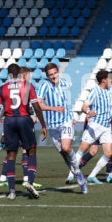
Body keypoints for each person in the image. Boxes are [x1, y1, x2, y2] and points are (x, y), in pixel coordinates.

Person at [0, 63, 47, 200]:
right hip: (24, 119)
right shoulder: (27, 86)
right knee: (31, 150)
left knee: (11, 155)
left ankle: (12, 191)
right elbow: (37, 107)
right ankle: (30, 182)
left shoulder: (1, 89)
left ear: (8, 75)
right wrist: (43, 125)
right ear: (20, 73)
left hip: (9, 121)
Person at [37, 62, 86, 193]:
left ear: (58, 71)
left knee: (66, 147)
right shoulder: (44, 86)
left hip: (66, 121)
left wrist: (72, 115)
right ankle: (76, 172)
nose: (53, 76)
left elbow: (66, 101)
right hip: (53, 125)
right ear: (47, 76)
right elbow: (38, 105)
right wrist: (53, 108)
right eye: (50, 75)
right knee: (64, 154)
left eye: (54, 73)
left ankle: (78, 173)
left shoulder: (65, 83)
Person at [75, 69, 112, 184]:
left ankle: (92, 176)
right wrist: (88, 111)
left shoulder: (111, 90)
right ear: (103, 80)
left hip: (106, 127)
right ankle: (72, 172)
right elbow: (84, 106)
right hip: (95, 125)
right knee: (83, 149)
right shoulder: (95, 91)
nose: (110, 80)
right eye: (108, 78)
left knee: (109, 152)